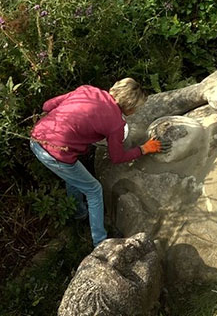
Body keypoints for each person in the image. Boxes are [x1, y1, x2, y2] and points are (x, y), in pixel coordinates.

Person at [30, 78, 169, 247]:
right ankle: (100, 242)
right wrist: (145, 149)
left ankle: (79, 214)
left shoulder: (87, 90)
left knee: (73, 175)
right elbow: (117, 157)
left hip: (36, 137)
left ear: (114, 88)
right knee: (94, 190)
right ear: (130, 109)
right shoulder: (116, 124)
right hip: (55, 154)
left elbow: (47, 106)